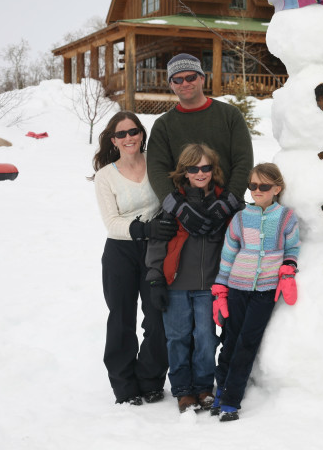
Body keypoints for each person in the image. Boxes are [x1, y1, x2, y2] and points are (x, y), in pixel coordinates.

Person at [92, 111, 176, 405]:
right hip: (120, 251)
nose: (128, 138)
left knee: (158, 316)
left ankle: (151, 379)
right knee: (121, 318)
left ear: (142, 133)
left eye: (133, 132)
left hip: (156, 250)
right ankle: (124, 386)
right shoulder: (105, 177)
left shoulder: (157, 163)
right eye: (121, 134)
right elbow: (111, 222)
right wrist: (142, 228)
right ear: (113, 140)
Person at [210, 163, 301, 422]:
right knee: (229, 341)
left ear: (277, 188)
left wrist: (288, 269)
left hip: (264, 291)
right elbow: (229, 253)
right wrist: (220, 288)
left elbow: (292, 247)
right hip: (237, 286)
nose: (257, 191)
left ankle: (231, 400)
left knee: (247, 343)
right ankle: (220, 391)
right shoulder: (240, 217)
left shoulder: (285, 216)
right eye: (252, 186)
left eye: (263, 186)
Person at [145, 143, 230, 413]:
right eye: (194, 168)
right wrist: (155, 278)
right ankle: (183, 389)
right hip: (176, 285)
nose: (201, 173)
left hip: (209, 286)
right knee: (178, 337)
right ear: (185, 172)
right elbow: (158, 244)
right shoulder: (174, 205)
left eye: (206, 167)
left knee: (206, 338)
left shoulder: (224, 205)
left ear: (213, 170)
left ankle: (204, 386)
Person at [147, 53, 253, 236]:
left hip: (227, 214)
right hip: (184, 218)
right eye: (178, 79)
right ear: (171, 84)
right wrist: (179, 208)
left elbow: (243, 161)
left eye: (191, 77)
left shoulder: (230, 116)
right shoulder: (163, 125)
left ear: (202, 78)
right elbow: (157, 169)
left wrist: (229, 201)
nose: (185, 83)